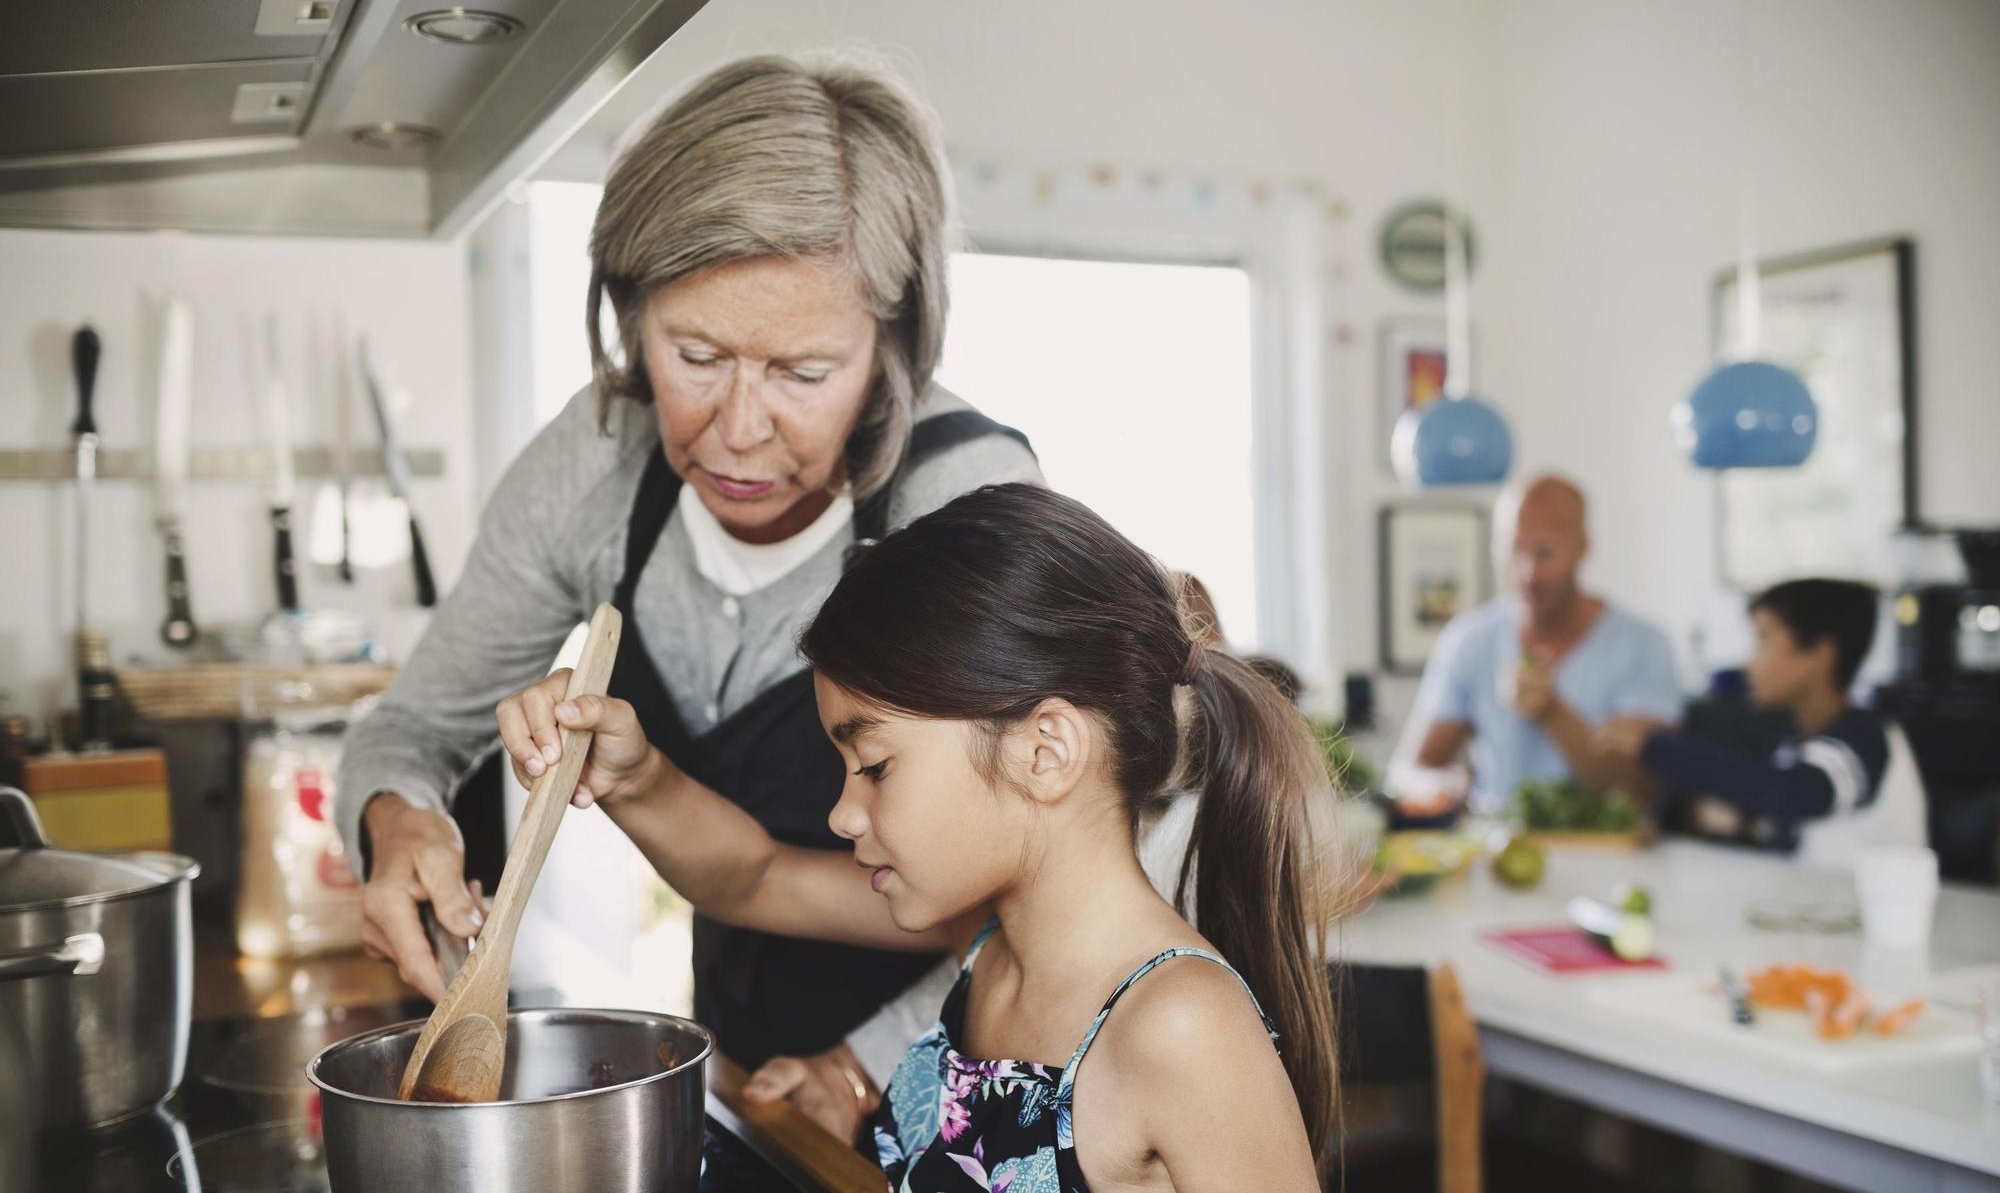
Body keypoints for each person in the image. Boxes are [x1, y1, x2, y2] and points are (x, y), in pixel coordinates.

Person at [335, 54, 1042, 1127]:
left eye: (803, 373)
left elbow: (1052, 894)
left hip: (972, 1069)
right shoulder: (594, 465)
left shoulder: (962, 503)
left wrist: (867, 1065)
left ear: (889, 344)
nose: (740, 429)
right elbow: (409, 733)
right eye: (696, 354)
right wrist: (396, 823)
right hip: (742, 1075)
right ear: (631, 314)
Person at [497, 483, 1336, 1190]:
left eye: (875, 766)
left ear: (1045, 751)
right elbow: (753, 879)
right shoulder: (990, 945)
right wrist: (633, 776)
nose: (843, 813)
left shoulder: (1179, 1026)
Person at [1390, 474, 1679, 815]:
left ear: (1582, 547)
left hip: (1609, 857)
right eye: (1515, 549)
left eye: (1545, 552)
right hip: (1494, 854)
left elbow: (1643, 788)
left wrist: (1552, 712)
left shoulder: (1643, 646)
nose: (1528, 572)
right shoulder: (1469, 641)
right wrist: (1444, 786)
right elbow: (1408, 771)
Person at [1600, 579, 1926, 866]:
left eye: (1763, 639)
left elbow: (1791, 793)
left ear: (1820, 654)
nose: (1748, 662)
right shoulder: (1793, 740)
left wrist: (1654, 746)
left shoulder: (1866, 738)